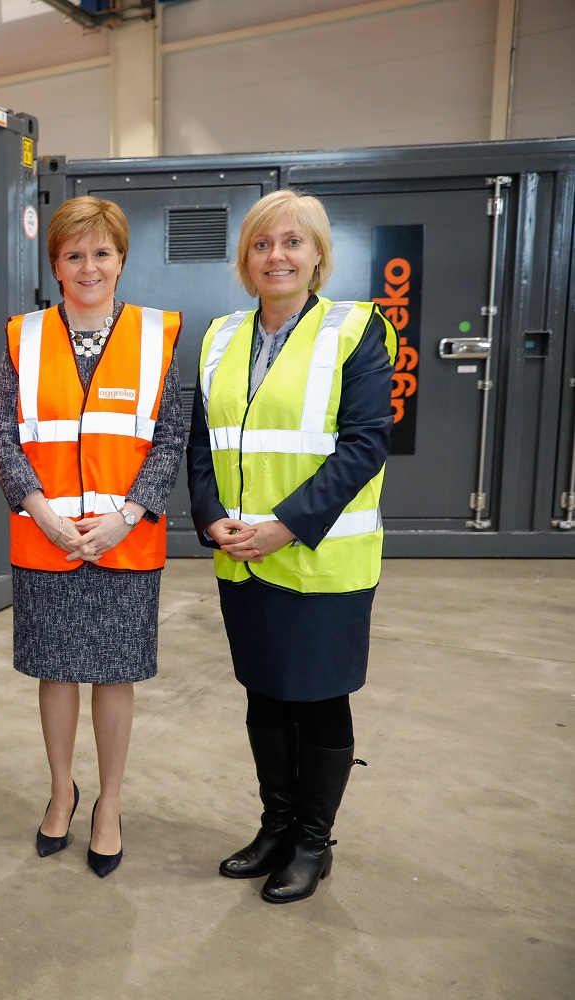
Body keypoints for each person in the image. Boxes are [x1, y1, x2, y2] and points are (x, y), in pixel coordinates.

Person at [186, 189, 397, 904]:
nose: (276, 256)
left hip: (320, 557)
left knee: (318, 699)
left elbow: (365, 444)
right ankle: (275, 826)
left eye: (292, 243)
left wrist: (283, 523)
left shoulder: (354, 330)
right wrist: (211, 515)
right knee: (265, 693)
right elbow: (200, 444)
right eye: (262, 244)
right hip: (241, 555)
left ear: (317, 257)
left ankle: (313, 842)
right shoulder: (220, 338)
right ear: (245, 260)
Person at [0, 195, 183, 878]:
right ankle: (61, 790)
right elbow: (4, 434)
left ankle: (110, 804)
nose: (89, 266)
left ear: (122, 260)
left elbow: (169, 438)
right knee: (56, 671)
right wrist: (37, 507)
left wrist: (126, 515)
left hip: (123, 539)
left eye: (102, 253)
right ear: (56, 264)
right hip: (47, 537)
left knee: (115, 674)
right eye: (74, 254)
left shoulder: (160, 334)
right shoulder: (26, 334)